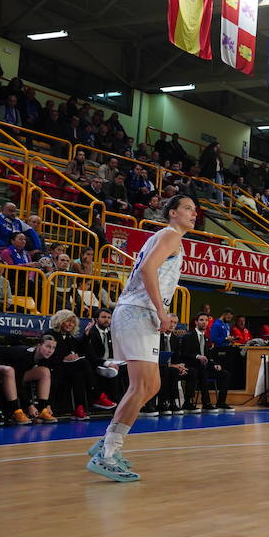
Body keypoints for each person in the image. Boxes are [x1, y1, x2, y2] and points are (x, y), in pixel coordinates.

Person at [86, 195, 196, 482]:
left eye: (195, 209)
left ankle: (108, 440)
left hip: (139, 312)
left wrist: (162, 311)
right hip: (137, 312)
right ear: (172, 213)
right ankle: (108, 452)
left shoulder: (170, 238)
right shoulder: (170, 235)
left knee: (152, 384)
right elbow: (148, 269)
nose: (193, 213)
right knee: (143, 384)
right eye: (187, 208)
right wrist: (161, 311)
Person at [178, 313, 230, 412]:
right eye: (201, 320)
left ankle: (221, 402)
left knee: (225, 374)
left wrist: (215, 364)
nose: (204, 322)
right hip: (193, 365)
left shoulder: (206, 337)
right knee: (201, 372)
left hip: (205, 366)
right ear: (196, 322)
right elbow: (184, 354)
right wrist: (197, 356)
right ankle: (202, 403)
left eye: (206, 320)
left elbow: (208, 356)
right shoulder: (188, 336)